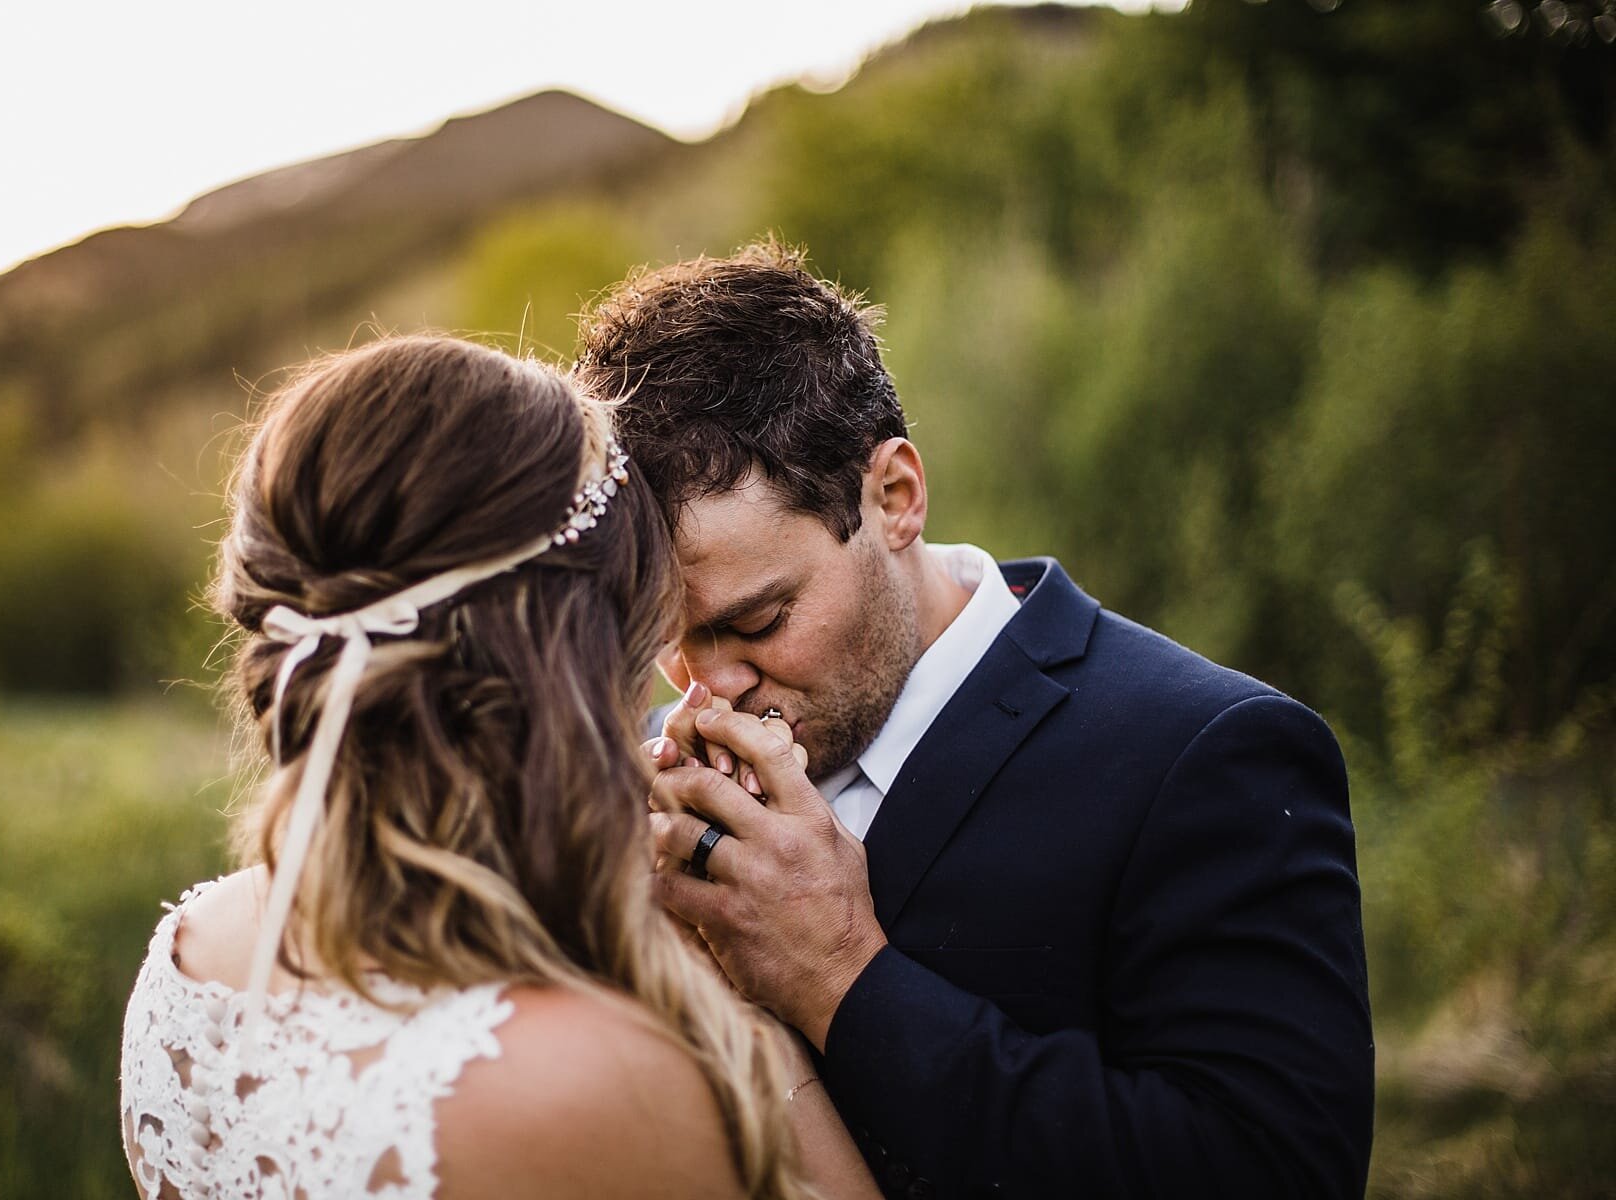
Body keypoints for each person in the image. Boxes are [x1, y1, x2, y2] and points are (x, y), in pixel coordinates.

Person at [572, 241, 1376, 1199]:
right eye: (670, 639)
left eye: (757, 621)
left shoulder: (1207, 753)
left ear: (895, 496)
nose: (709, 687)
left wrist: (843, 980)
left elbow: (1269, 1174)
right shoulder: (640, 775)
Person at [117, 335, 879, 1200]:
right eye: (643, 653)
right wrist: (750, 1018)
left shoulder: (188, 967)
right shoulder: (596, 1084)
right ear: (564, 673)